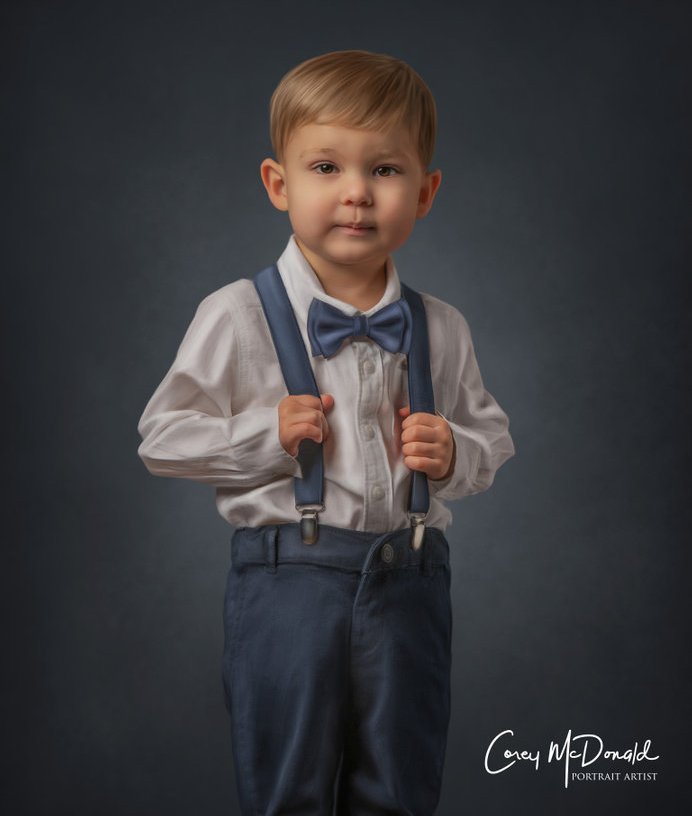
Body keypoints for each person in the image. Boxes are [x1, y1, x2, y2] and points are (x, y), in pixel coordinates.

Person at [138, 49, 514, 816]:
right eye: (325, 167)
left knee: (401, 788)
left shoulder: (442, 327)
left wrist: (454, 454)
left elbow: (492, 438)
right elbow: (161, 438)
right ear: (279, 184)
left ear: (426, 191)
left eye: (384, 170)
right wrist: (262, 435)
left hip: (410, 584)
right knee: (289, 790)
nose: (355, 194)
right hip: (287, 586)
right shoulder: (236, 313)